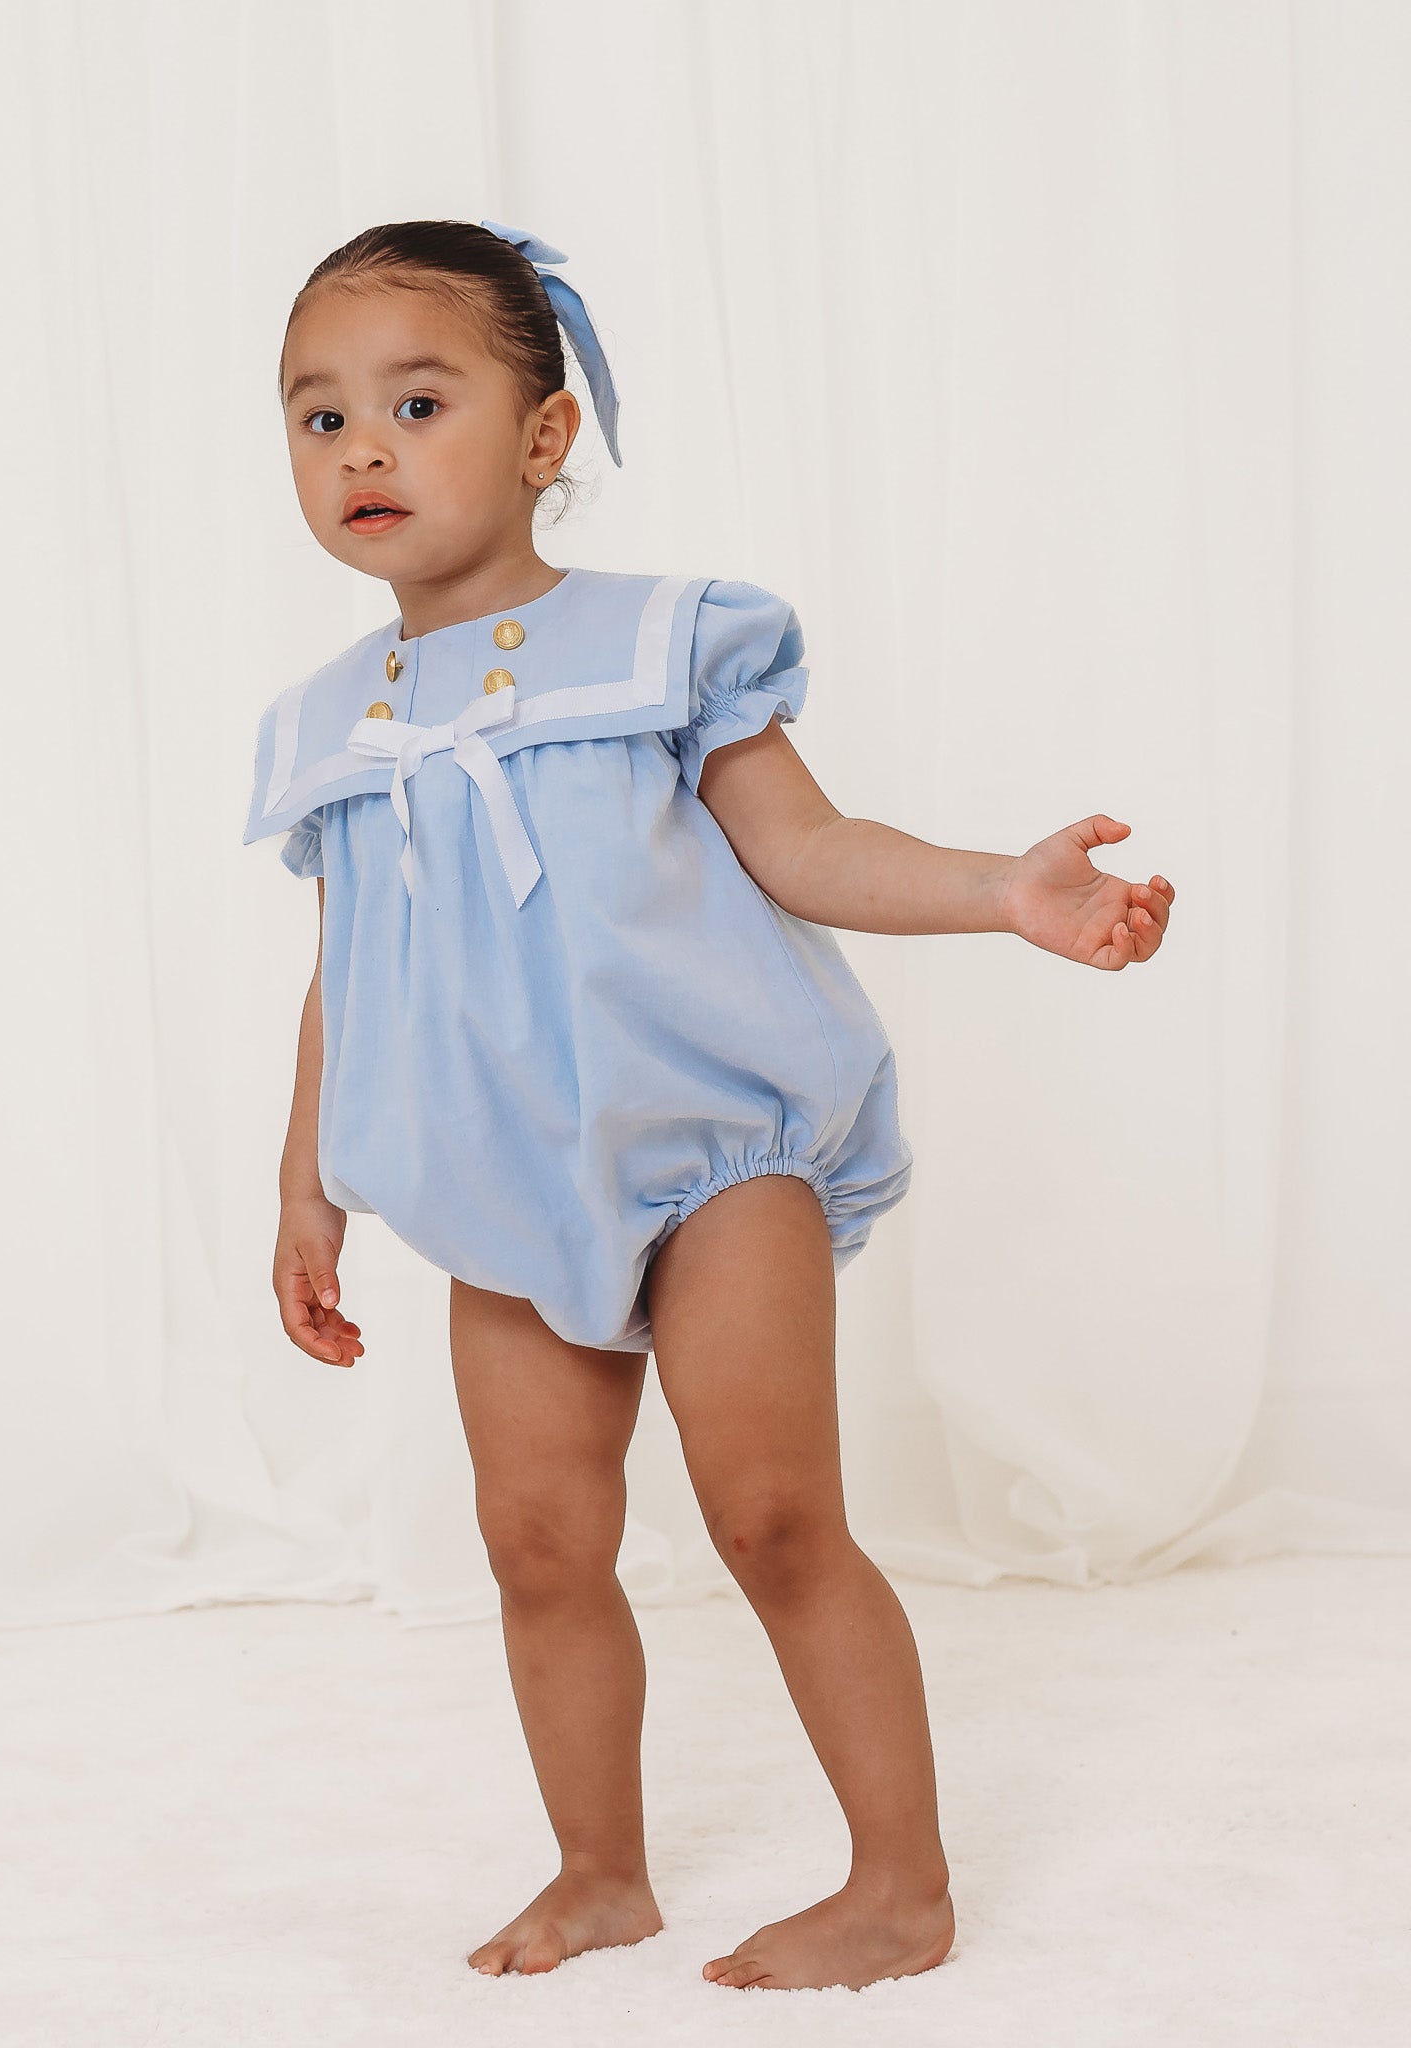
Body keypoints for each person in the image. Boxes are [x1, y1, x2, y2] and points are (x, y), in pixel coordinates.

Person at [245, 217, 1174, 1993]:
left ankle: (900, 1887)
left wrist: (1004, 890)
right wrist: (309, 1187)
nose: (364, 446)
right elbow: (348, 967)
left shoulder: (658, 641)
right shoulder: (329, 725)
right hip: (502, 1182)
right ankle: (601, 1873)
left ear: (544, 435)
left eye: (418, 403)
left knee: (770, 1514)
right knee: (535, 1540)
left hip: (711, 1155)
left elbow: (808, 849)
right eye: (320, 415)